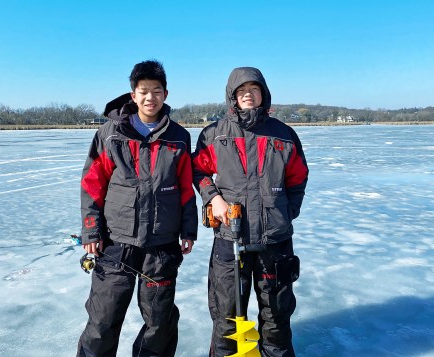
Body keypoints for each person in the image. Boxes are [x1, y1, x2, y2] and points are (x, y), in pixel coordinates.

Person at [77, 59, 198, 357]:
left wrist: (189, 228)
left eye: (156, 91)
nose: (150, 97)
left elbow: (185, 187)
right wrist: (92, 229)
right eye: (144, 91)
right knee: (103, 321)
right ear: (133, 95)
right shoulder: (111, 133)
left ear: (165, 94)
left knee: (160, 323)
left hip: (162, 244)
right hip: (116, 243)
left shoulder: (179, 136)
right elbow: (92, 183)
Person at [192, 67, 308, 357]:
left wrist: (285, 211)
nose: (247, 94)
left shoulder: (284, 135)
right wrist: (213, 199)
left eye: (253, 90)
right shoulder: (214, 134)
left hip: (275, 241)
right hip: (231, 238)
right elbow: (198, 171)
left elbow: (298, 178)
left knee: (276, 318)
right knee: (228, 317)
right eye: (241, 91)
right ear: (233, 97)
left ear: (263, 94)